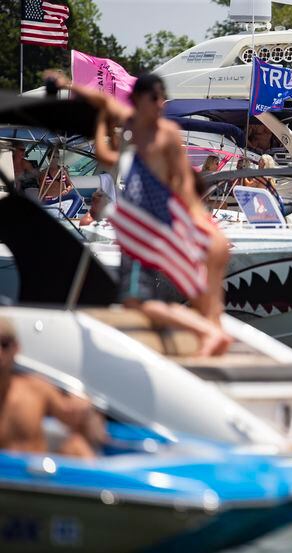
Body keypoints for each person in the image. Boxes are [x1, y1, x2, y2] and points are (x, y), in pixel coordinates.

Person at [48, 71, 232, 357]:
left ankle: (209, 332)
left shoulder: (166, 134)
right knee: (191, 287)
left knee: (144, 299)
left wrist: (200, 222)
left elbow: (182, 183)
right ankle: (212, 334)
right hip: (147, 225)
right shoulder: (132, 123)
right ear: (138, 100)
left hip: (156, 224)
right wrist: (68, 85)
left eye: (163, 98)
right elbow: (104, 101)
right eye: (155, 98)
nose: (161, 104)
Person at [0, 318, 106, 458]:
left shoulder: (36, 389)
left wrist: (86, 410)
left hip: (34, 477)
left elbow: (93, 432)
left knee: (77, 447)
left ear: (16, 348)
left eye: (5, 344)